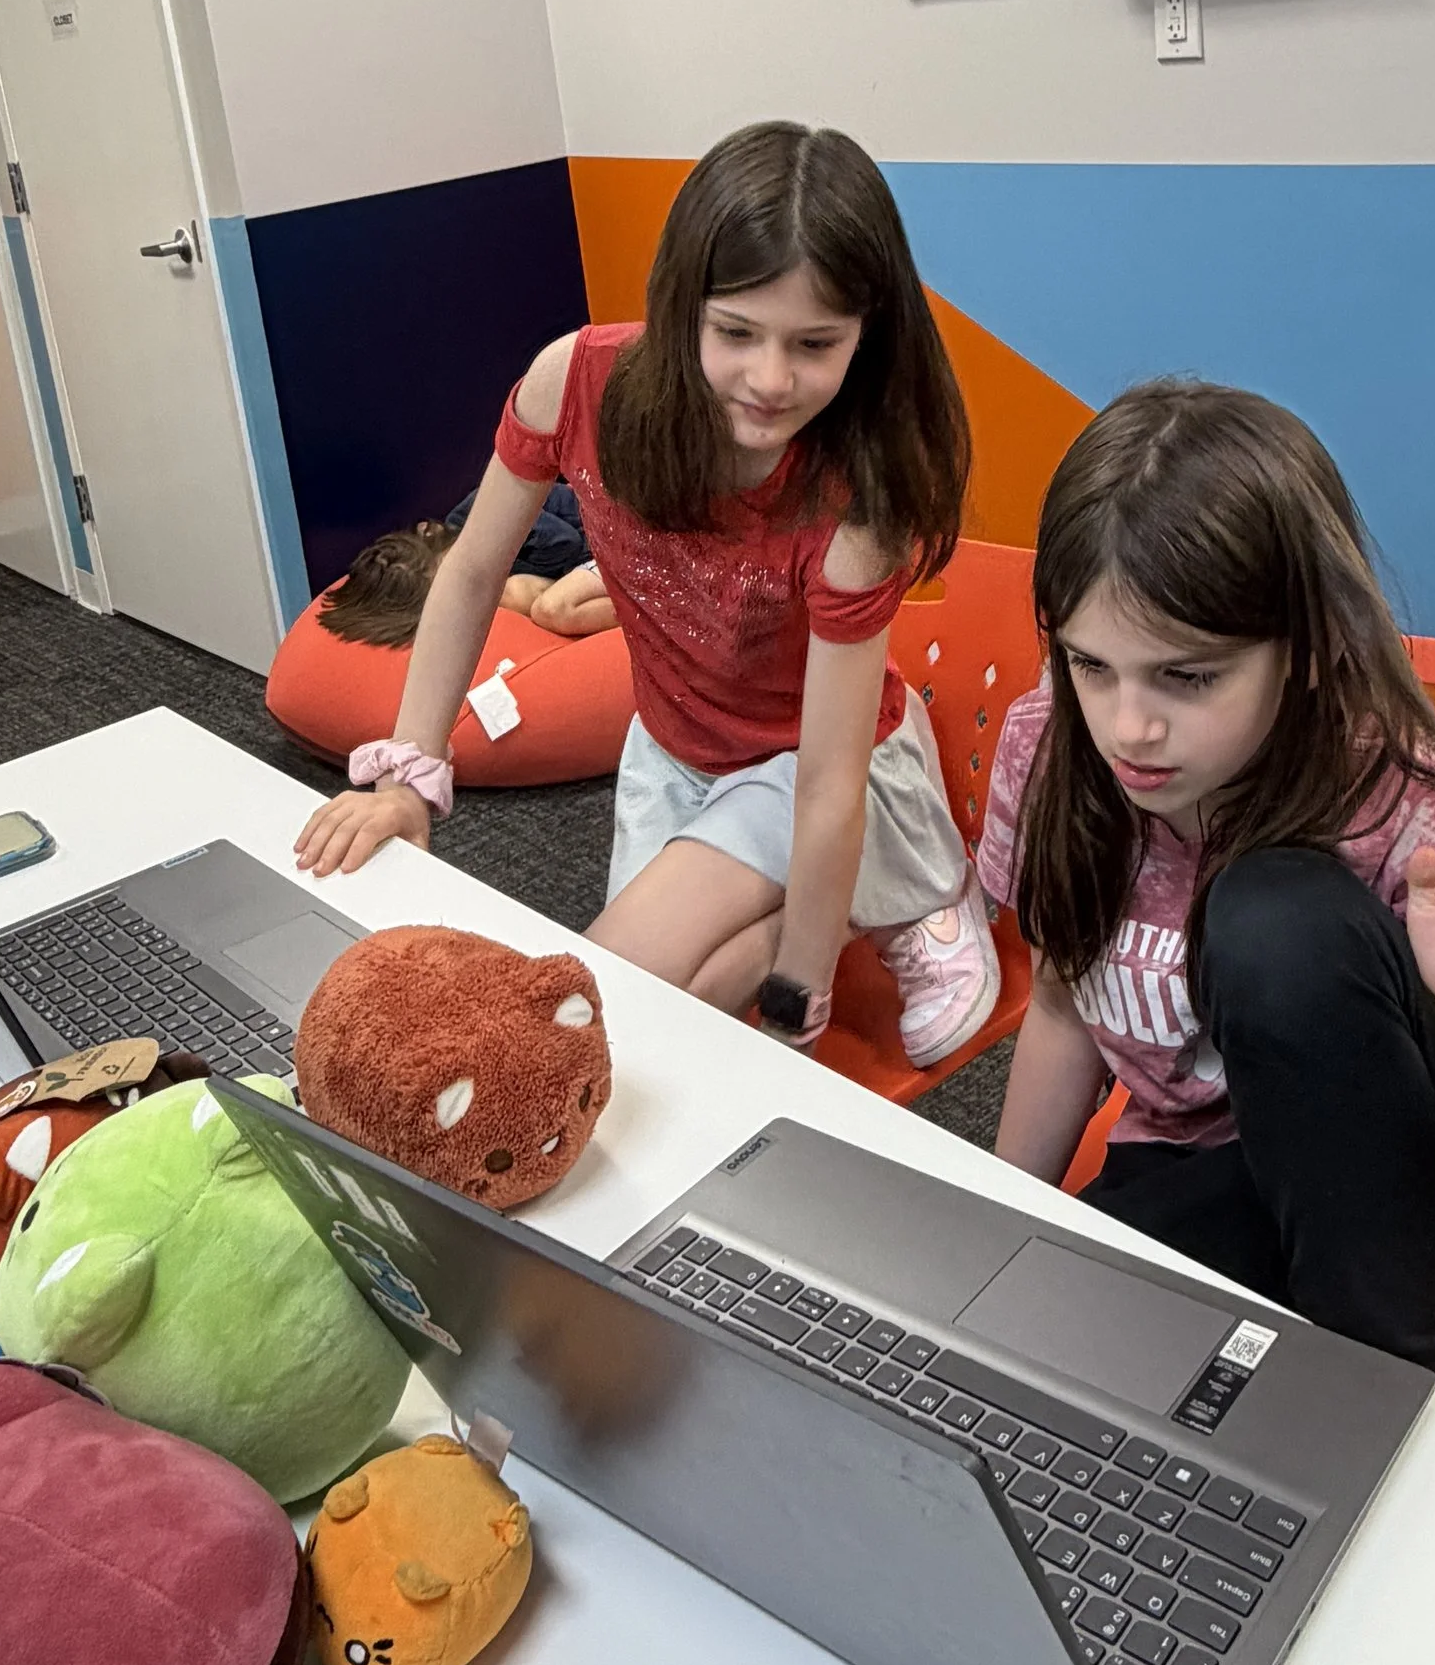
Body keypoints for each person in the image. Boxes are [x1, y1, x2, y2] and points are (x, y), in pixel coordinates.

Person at [293, 121, 1002, 1066]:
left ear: (867, 338)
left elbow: (829, 786)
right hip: (676, 750)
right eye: (736, 332)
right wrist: (411, 774)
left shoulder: (853, 503)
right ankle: (835, 906)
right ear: (682, 309)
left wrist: (801, 984)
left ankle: (911, 886)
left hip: (812, 755)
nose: (771, 378)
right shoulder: (574, 380)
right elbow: (468, 571)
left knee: (599, 993)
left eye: (815, 343)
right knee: (660, 1017)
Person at [986, 380, 1435, 1375]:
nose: (1128, 728)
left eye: (1186, 677)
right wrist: (991, 1223)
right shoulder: (1051, 752)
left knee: (1270, 917)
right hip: (1223, 1177)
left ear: (1313, 650)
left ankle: (1378, 1399)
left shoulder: (1402, 811)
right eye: (1089, 666)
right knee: (1023, 1324)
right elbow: (1066, 1005)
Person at [315, 485, 616, 647]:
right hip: (587, 560)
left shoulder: (482, 515)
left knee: (552, 609)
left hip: (605, 536)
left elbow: (565, 543)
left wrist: (499, 561)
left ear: (430, 532)